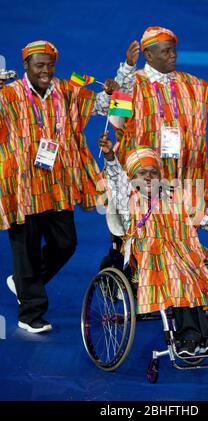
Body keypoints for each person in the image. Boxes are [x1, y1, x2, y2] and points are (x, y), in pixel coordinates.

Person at [0, 40, 118, 333]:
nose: (46, 70)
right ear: (26, 65)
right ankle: (30, 313)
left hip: (57, 184)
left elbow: (106, 106)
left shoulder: (66, 91)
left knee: (66, 243)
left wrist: (116, 83)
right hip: (21, 185)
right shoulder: (9, 95)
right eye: (39, 65)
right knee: (25, 249)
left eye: (50, 65)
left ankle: (24, 283)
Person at [99, 134, 208, 356]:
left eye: (153, 172)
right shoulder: (128, 199)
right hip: (150, 259)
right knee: (178, 277)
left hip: (183, 254)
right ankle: (189, 337)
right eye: (142, 173)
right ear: (132, 177)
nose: (149, 177)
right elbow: (116, 180)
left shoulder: (177, 196)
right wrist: (110, 157)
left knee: (200, 278)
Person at [100, 26, 208, 207]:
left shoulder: (190, 83)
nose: (173, 55)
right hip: (144, 178)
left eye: (174, 50)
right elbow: (117, 116)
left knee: (182, 231)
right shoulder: (133, 84)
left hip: (183, 175)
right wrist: (124, 76)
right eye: (166, 51)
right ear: (148, 55)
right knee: (141, 229)